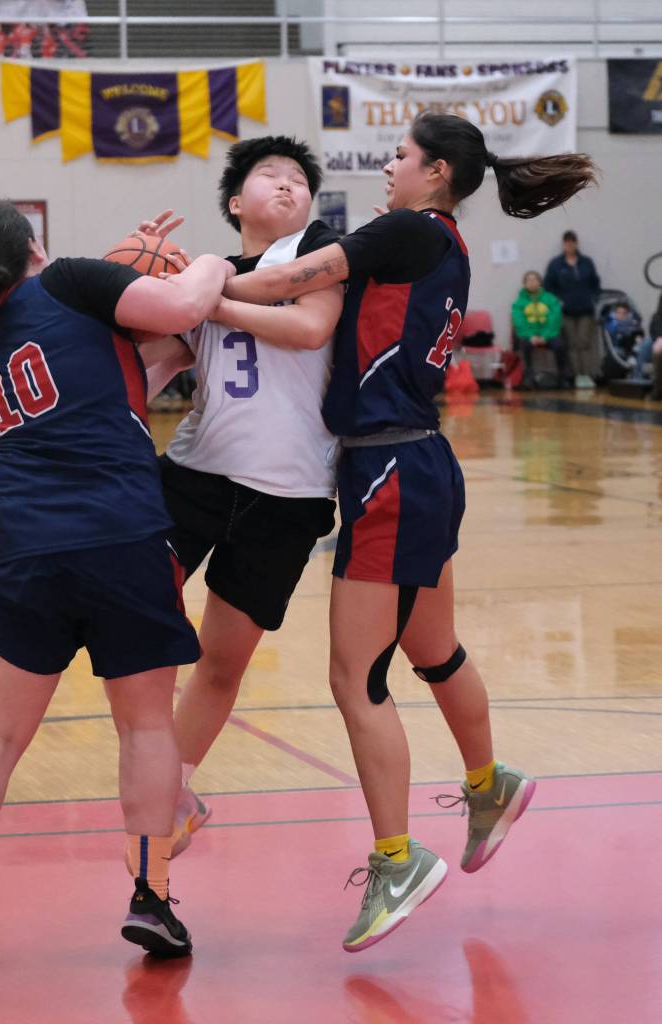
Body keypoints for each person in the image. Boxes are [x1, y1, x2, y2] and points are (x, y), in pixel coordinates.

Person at [222, 112, 596, 951]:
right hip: (421, 462)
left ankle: (395, 858)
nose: (389, 166)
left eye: (399, 156)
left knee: (355, 678)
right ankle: (486, 781)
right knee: (435, 649)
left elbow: (288, 284)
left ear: (433, 174)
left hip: (388, 468)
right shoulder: (447, 244)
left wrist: (195, 290)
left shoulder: (403, 231)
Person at [0, 200, 233, 967]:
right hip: (121, 536)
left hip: (22, 547)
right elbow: (180, 305)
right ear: (37, 245)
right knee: (144, 727)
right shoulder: (74, 279)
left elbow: (111, 380)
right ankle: (151, 897)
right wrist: (217, 265)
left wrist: (156, 335)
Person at [134, 137, 344, 852]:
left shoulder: (318, 257)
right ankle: (154, 765)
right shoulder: (203, 275)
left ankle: (174, 790)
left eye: (298, 180)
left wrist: (209, 302)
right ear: (233, 202)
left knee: (222, 661)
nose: (288, 187)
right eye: (269, 176)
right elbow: (147, 366)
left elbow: (310, 326)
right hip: (196, 473)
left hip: (288, 490)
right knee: (134, 620)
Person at [544, 230, 601, 388]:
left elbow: (595, 283)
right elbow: (548, 286)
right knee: (572, 344)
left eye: (572, 242)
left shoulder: (586, 262)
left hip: (586, 310)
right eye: (567, 242)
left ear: (576, 243)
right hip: (565, 311)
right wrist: (558, 301)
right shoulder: (556, 264)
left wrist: (593, 298)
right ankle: (576, 375)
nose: (570, 245)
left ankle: (587, 374)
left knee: (584, 342)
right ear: (563, 244)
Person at [510, 270, 568, 387]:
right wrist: (531, 336)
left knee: (560, 346)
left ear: (540, 282)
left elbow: (555, 319)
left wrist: (544, 336)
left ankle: (562, 377)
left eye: (534, 279)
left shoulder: (550, 299)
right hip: (528, 336)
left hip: (548, 335)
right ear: (524, 284)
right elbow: (519, 322)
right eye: (528, 280)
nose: (532, 282)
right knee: (524, 345)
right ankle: (528, 376)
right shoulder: (519, 303)